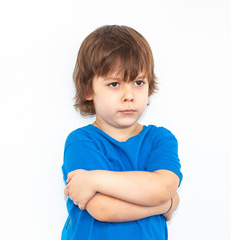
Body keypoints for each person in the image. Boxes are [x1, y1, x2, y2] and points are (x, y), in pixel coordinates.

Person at [61, 25, 183, 240]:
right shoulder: (81, 142)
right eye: (114, 84)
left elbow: (163, 187)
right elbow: (103, 209)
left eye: (138, 82)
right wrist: (164, 205)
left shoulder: (160, 139)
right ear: (88, 89)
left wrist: (95, 179)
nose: (129, 95)